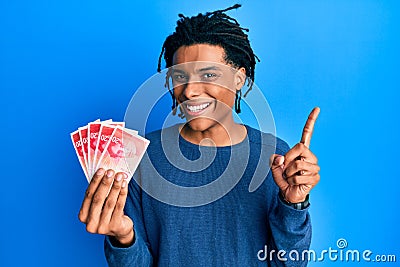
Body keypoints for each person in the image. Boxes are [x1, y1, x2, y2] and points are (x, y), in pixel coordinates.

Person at [78, 4, 320, 266]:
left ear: (239, 78)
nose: (190, 90)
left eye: (209, 74)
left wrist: (294, 206)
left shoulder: (275, 156)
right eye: (180, 76)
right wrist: (124, 237)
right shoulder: (144, 157)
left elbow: (289, 263)